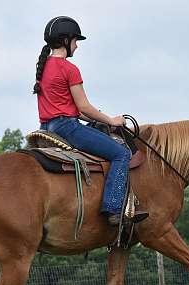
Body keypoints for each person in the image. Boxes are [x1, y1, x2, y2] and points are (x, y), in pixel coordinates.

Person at [34, 16, 147, 226]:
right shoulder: (69, 69)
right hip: (67, 128)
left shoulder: (43, 67)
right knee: (121, 153)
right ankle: (113, 209)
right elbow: (84, 107)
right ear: (66, 40)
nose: (77, 46)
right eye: (76, 41)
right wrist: (111, 119)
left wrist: (105, 119)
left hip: (47, 128)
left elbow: (77, 110)